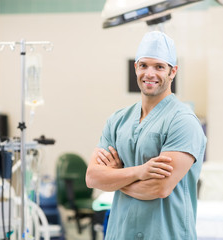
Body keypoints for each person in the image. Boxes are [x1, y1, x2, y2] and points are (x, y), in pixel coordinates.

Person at [86, 31, 207, 240]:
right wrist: (140, 171)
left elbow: (159, 187)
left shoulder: (183, 121)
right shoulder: (117, 120)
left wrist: (115, 177)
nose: (150, 73)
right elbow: (93, 177)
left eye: (159, 67)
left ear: (173, 72)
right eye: (144, 65)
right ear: (136, 68)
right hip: (120, 233)